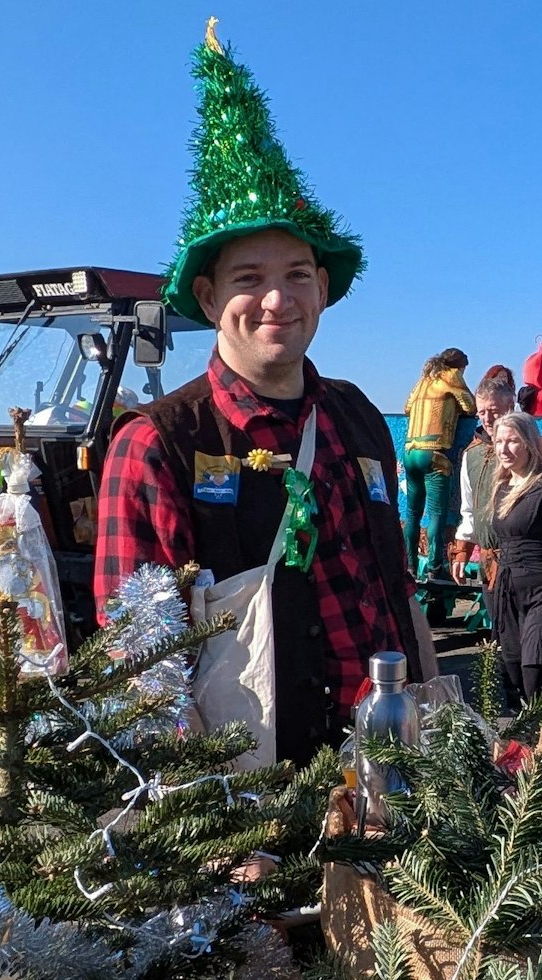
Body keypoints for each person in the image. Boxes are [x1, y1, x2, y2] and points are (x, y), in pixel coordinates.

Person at [92, 31, 435, 766]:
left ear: (323, 290)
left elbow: (395, 590)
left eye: (298, 274)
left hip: (390, 771)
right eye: (248, 278)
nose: (276, 299)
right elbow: (139, 657)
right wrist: (213, 822)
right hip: (256, 800)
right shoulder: (157, 443)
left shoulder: (357, 417)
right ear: (210, 297)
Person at [485, 413, 542, 700]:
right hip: (508, 592)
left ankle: (541, 737)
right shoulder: (501, 488)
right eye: (499, 441)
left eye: (512, 441)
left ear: (529, 444)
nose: (504, 449)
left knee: (534, 670)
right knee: (511, 669)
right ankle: (520, 741)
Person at [402, 348, 475, 579]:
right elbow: (470, 406)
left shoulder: (424, 380)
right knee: (436, 514)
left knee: (412, 513)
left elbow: (406, 408)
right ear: (460, 366)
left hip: (410, 451)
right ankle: (435, 567)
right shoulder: (452, 376)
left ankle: (410, 565)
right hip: (435, 453)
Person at [449, 367, 517, 594]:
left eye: (494, 411)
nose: (487, 419)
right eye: (482, 412)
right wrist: (462, 551)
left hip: (526, 564)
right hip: (490, 564)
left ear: (510, 408)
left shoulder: (534, 450)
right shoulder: (472, 454)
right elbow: (469, 509)